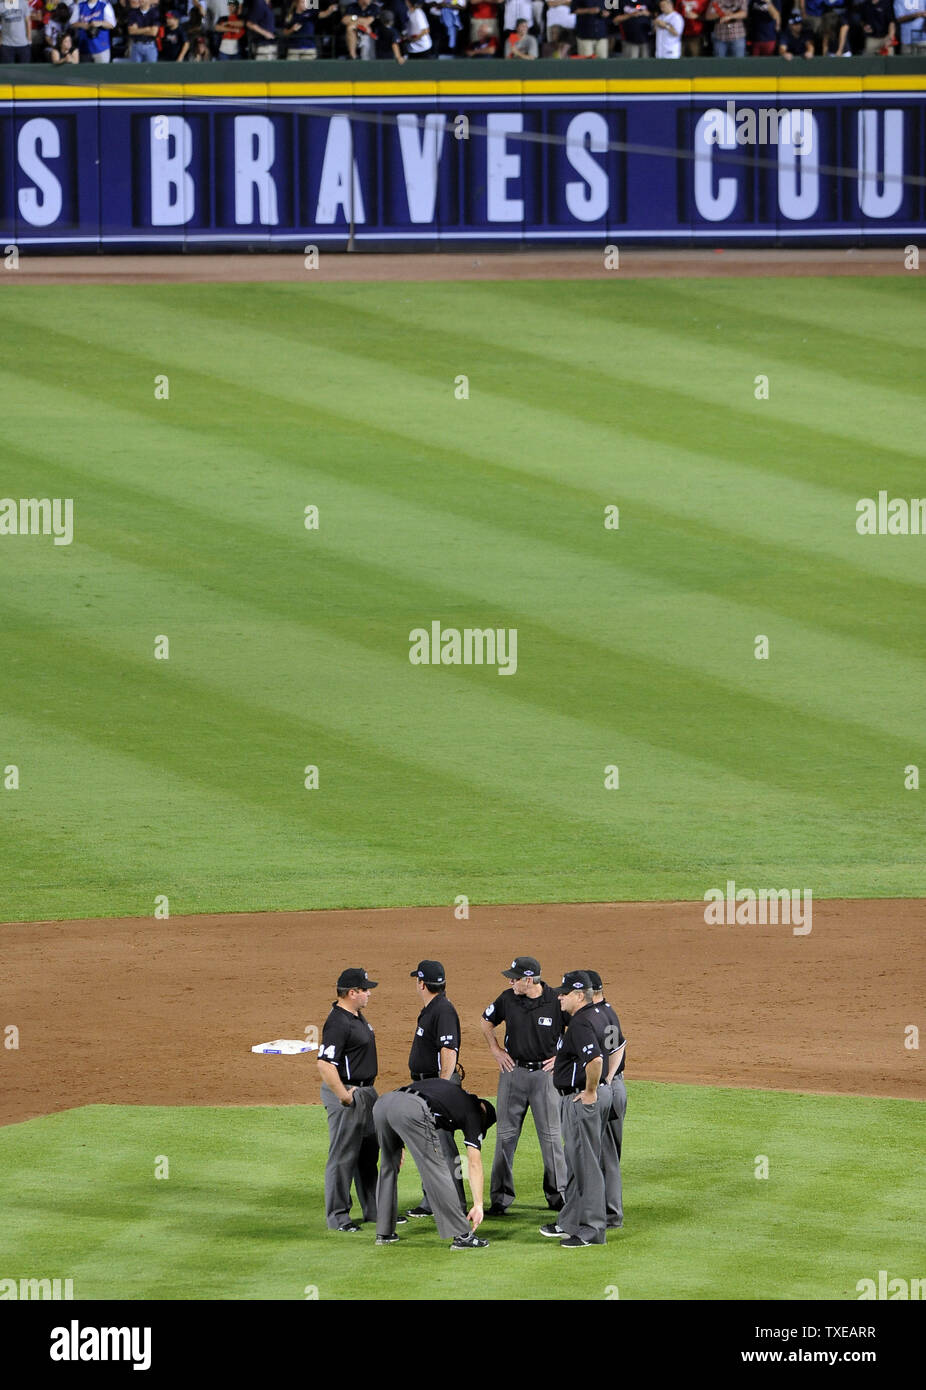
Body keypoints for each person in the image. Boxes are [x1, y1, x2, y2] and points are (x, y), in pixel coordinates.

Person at [480, 956, 566, 1216]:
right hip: (513, 1073)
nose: (511, 981)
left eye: (515, 978)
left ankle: (558, 1195)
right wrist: (496, 1050)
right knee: (505, 1137)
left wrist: (562, 1057)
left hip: (545, 1077)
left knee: (551, 1138)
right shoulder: (507, 998)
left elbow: (577, 1028)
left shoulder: (555, 1000)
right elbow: (485, 1022)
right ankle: (500, 1198)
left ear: (529, 979)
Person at [373, 1080, 496, 1249]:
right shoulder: (474, 1112)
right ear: (484, 1114)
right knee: (437, 1170)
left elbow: (405, 1101)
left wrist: (399, 1143)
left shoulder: (452, 1096)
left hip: (383, 1103)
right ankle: (462, 1235)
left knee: (388, 1165)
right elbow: (473, 1163)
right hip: (411, 1108)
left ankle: (384, 1232)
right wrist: (478, 1205)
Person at [539, 971, 607, 1248]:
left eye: (565, 993)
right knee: (578, 1166)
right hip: (581, 1097)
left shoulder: (580, 1022)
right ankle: (570, 1222)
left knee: (586, 1168)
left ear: (580, 996)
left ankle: (592, 1230)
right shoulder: (597, 1014)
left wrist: (590, 1091)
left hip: (580, 1100)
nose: (559, 996)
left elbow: (596, 1059)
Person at [316, 968, 382, 1233]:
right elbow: (324, 1063)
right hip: (348, 1095)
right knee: (343, 1156)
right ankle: (338, 1216)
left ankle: (375, 1210)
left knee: (368, 1154)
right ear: (351, 993)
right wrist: (343, 1096)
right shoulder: (338, 1022)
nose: (369, 993)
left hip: (365, 1093)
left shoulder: (355, 1016)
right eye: (365, 989)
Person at [405, 960, 467, 1218]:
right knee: (428, 1145)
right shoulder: (433, 1007)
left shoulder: (443, 1010)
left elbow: (448, 1051)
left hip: (436, 1085)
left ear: (422, 983)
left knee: (443, 1144)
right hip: (424, 1084)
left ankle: (456, 1205)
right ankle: (431, 1200)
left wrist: (441, 1089)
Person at [587, 969, 627, 1230]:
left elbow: (614, 1051)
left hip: (608, 1089)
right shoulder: (607, 1011)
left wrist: (607, 1080)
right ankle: (608, 1211)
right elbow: (621, 1046)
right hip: (615, 1087)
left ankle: (611, 1215)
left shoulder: (598, 1015)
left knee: (605, 1155)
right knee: (607, 1154)